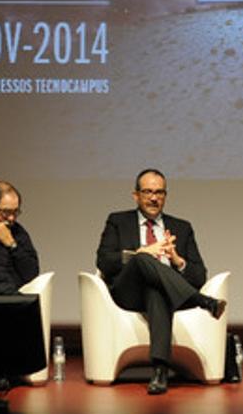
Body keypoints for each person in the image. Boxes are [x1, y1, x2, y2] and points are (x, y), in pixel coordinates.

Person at [96, 168, 227, 395]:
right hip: (127, 293)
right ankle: (204, 302)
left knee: (156, 292)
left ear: (165, 196)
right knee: (142, 260)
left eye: (159, 192)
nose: (154, 198)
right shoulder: (117, 221)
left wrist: (177, 260)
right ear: (135, 195)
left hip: (169, 294)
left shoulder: (181, 228)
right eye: (147, 192)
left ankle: (159, 371)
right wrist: (141, 252)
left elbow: (198, 275)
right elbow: (104, 261)